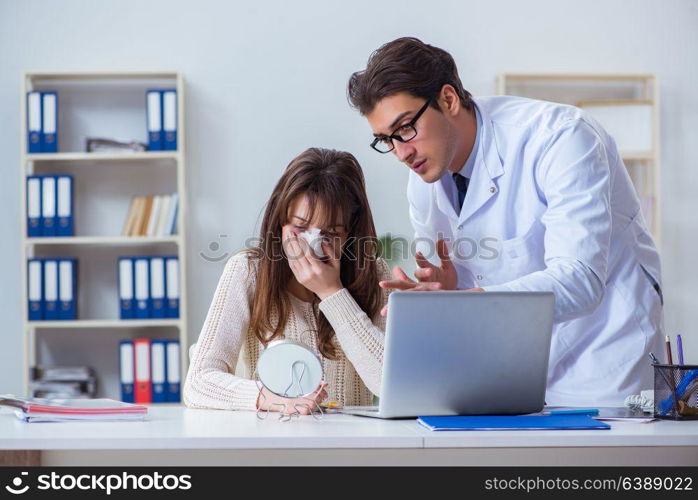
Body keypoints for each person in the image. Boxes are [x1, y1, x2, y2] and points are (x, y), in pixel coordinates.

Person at [347, 37, 663, 406]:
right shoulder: (423, 185)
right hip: (507, 368)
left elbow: (580, 280)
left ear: (447, 100)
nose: (401, 152)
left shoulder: (560, 137)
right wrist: (442, 294)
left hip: (602, 358)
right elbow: (464, 292)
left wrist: (463, 304)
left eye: (405, 129)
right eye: (386, 140)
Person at [183, 148, 391, 414]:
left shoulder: (374, 274)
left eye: (331, 233)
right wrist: (269, 398)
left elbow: (387, 383)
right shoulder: (248, 272)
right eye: (300, 228)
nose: (313, 243)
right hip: (274, 443)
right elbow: (199, 382)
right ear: (280, 221)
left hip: (352, 446)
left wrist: (332, 293)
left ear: (350, 233)